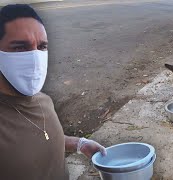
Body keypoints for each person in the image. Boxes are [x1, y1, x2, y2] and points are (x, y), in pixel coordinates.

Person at [0, 4, 106, 180]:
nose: (34, 58)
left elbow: (39, 138)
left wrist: (79, 144)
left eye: (41, 47)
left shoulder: (43, 101)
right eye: (20, 47)